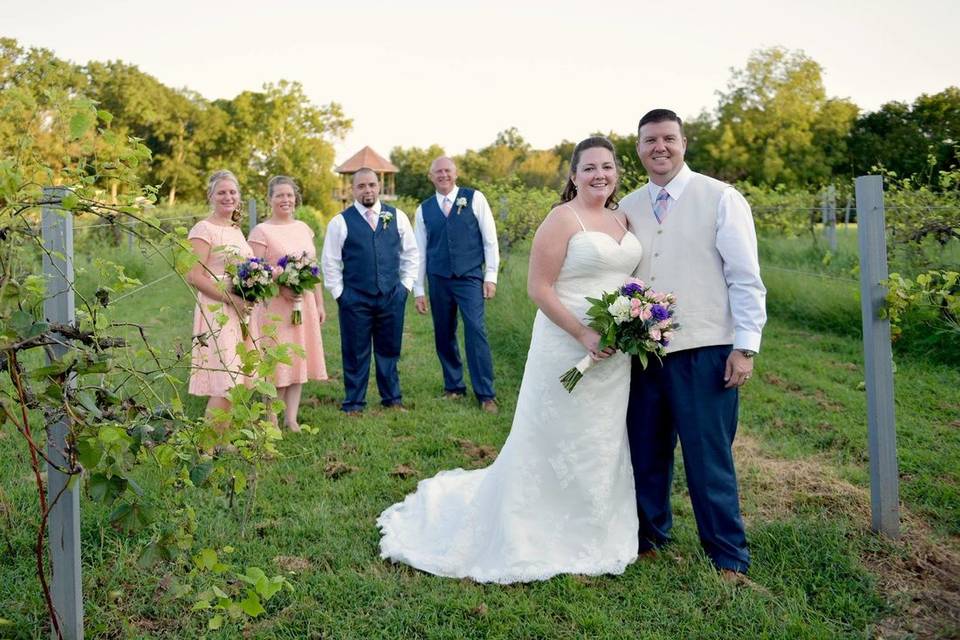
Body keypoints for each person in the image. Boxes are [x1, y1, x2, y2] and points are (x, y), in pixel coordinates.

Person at [378, 137, 641, 583]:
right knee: (556, 432)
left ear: (617, 173)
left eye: (608, 167)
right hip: (568, 341)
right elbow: (539, 288)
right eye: (590, 167)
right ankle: (538, 524)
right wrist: (583, 333)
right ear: (574, 175)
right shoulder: (562, 219)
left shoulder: (624, 217)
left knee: (603, 436)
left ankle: (597, 523)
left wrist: (633, 322)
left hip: (615, 352)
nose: (600, 174)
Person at [619, 109, 767, 576]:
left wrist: (744, 346)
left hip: (706, 351)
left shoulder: (720, 197)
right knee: (646, 451)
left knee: (708, 459)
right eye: (649, 140)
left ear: (684, 143)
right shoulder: (629, 206)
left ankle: (727, 555)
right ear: (638, 148)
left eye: (668, 138)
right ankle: (650, 536)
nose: (658, 147)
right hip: (645, 354)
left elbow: (745, 279)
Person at [320, 168, 418, 415]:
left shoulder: (398, 217)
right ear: (353, 189)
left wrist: (405, 287)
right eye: (362, 186)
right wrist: (340, 294)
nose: (368, 190)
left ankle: (392, 399)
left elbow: (411, 254)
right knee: (355, 350)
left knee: (389, 349)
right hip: (355, 298)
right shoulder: (340, 222)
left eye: (372, 185)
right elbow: (330, 262)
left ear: (379, 187)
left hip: (391, 296)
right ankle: (354, 403)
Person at [413, 157, 500, 413]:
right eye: (438, 172)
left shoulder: (475, 198)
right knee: (443, 332)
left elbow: (490, 239)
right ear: (431, 176)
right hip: (438, 278)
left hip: (470, 276)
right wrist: (419, 290)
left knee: (476, 330)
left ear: (456, 173)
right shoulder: (423, 210)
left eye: (447, 170)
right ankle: (453, 386)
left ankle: (486, 394)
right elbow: (419, 252)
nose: (443, 175)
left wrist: (491, 276)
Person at [248, 175, 328, 432]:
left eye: (289, 195)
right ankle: (270, 418)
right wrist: (280, 284)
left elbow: (313, 269)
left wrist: (319, 303)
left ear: (296, 199)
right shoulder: (261, 232)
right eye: (279, 195)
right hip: (274, 307)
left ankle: (291, 418)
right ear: (269, 199)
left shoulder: (304, 228)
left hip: (302, 305)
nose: (285, 200)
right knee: (277, 363)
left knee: (298, 359)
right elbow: (254, 273)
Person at [186, 170, 256, 429]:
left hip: (241, 310)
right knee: (226, 376)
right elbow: (194, 276)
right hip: (217, 309)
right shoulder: (203, 229)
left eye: (233, 192)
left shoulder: (235, 229)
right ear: (211, 196)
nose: (228, 197)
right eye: (222, 192)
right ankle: (206, 447)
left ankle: (223, 440)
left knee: (238, 375)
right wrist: (230, 299)